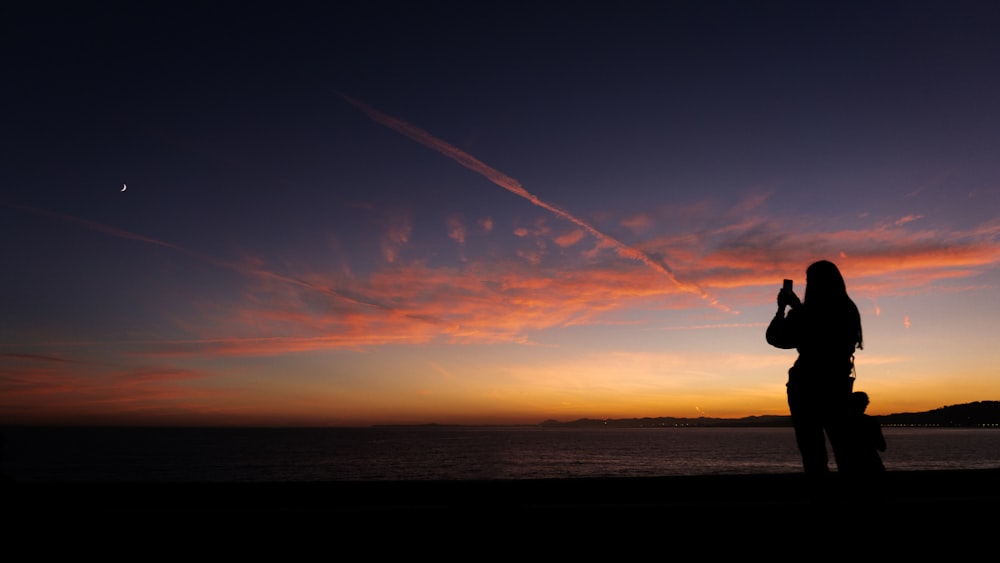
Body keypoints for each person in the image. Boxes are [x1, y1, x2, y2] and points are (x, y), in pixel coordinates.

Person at [766, 260, 863, 475]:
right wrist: (798, 307)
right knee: (844, 448)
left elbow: (775, 337)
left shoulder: (808, 313)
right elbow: (820, 329)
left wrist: (782, 307)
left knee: (813, 453)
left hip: (806, 387)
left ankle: (820, 499)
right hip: (837, 385)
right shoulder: (848, 309)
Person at [839, 391, 887, 475]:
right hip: (872, 463)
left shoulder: (842, 423)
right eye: (865, 403)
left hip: (849, 465)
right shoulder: (871, 422)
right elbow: (882, 447)